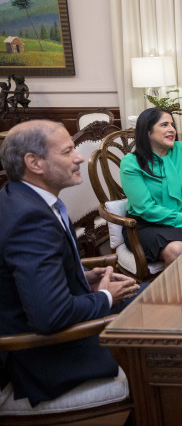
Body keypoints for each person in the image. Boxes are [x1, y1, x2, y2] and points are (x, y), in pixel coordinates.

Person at [0, 120, 140, 406]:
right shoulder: (30, 219)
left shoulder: (18, 197)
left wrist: (82, 276)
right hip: (44, 356)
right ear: (34, 163)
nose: (79, 158)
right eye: (67, 152)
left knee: (154, 297)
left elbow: (29, 278)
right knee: (160, 321)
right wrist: (105, 297)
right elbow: (50, 316)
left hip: (58, 321)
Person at [120, 107, 182, 267]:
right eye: (164, 125)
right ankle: (174, 284)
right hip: (145, 225)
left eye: (172, 125)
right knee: (177, 249)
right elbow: (146, 209)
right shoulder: (131, 162)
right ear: (147, 131)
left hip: (180, 222)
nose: (171, 129)